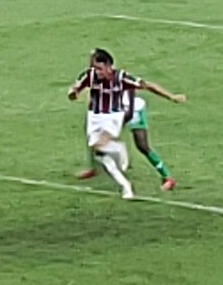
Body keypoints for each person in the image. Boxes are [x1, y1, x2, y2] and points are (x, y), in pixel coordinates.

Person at [68, 49, 184, 199]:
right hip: (110, 115)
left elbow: (136, 100)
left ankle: (167, 177)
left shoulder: (123, 80)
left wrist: (171, 96)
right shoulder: (93, 78)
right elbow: (82, 89)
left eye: (98, 67)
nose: (95, 71)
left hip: (132, 111)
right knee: (94, 138)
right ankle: (94, 167)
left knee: (141, 145)